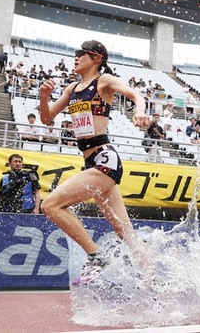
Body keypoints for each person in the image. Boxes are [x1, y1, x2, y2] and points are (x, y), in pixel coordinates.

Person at [38, 40, 151, 285]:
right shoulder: (72, 89)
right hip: (91, 163)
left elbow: (134, 94)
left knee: (51, 205)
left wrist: (140, 111)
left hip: (104, 159)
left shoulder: (104, 81)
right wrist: (44, 96)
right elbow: (47, 118)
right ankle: (157, 281)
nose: (75, 58)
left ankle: (96, 256)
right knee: (125, 232)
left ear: (96, 58)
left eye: (81, 54)